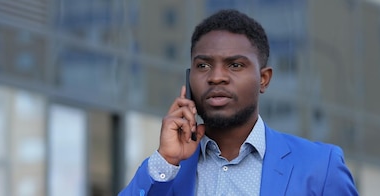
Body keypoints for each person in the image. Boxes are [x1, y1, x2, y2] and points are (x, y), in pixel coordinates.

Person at [119, 9, 358, 196]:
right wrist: (166, 160)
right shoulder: (167, 171)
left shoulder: (320, 167)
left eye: (235, 65)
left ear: (263, 79)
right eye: (203, 65)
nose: (216, 76)